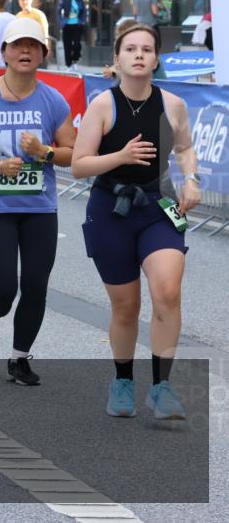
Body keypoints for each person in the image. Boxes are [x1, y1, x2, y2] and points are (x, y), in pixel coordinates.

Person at [71, 24, 199, 420]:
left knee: (168, 293)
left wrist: (191, 178)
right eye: (131, 48)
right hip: (111, 210)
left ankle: (161, 388)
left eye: (147, 49)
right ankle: (123, 380)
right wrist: (120, 157)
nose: (139, 54)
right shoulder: (103, 106)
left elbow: (185, 146)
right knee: (126, 307)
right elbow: (79, 165)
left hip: (158, 207)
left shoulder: (173, 104)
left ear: (156, 59)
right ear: (118, 59)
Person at [0, 17, 77, 385]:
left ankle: (20, 358)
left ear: (43, 54)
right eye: (18, 45)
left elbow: (73, 152)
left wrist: (45, 151)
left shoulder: (52, 99)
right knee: (4, 287)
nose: (25, 51)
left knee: (36, 285)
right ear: (4, 52)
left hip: (40, 208)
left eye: (33, 46)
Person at [58, 0, 87, 68]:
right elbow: (58, 12)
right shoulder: (64, 0)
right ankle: (68, 65)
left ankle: (75, 60)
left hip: (76, 25)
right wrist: (62, 21)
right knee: (67, 45)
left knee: (77, 44)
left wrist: (82, 21)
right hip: (67, 25)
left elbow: (84, 11)